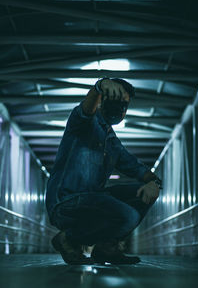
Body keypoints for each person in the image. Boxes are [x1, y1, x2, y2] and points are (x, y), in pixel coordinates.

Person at [45, 77, 162, 265]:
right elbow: (85, 110)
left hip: (92, 200)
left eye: (125, 104)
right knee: (128, 215)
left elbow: (137, 168)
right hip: (67, 201)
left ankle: (106, 247)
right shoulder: (83, 124)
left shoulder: (112, 142)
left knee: (143, 193)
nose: (120, 109)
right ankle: (68, 239)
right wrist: (99, 86)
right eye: (116, 101)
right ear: (103, 101)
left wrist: (154, 184)